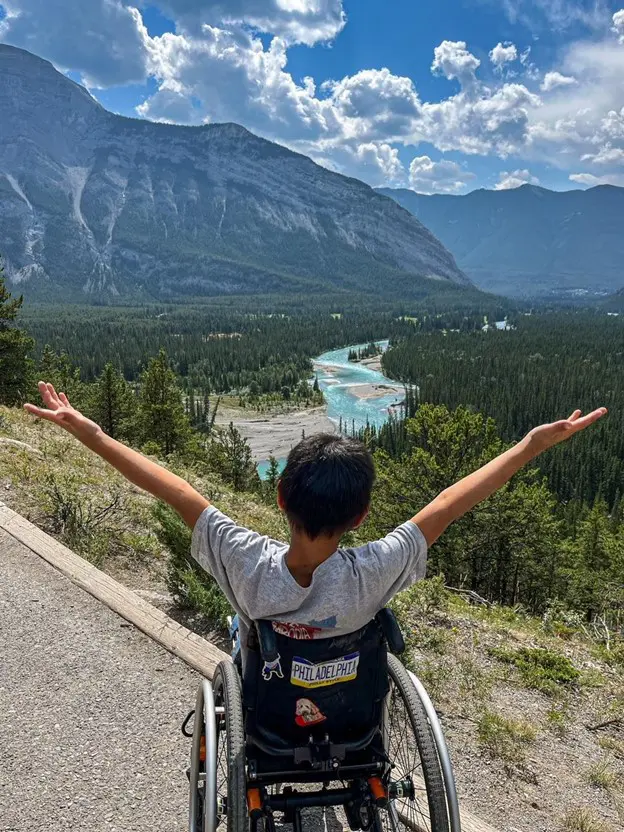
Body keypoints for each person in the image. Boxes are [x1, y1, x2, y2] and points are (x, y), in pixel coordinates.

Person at [25, 382, 606, 666]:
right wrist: (531, 444)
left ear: (281, 497)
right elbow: (451, 503)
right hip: (350, 717)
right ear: (360, 516)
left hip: (272, 713)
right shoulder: (377, 570)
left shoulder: (243, 559)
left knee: (239, 636)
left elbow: (174, 489)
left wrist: (92, 433)